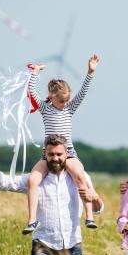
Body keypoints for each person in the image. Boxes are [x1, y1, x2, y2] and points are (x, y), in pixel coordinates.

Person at [23, 54, 101, 235]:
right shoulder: (44, 108)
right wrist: (35, 73)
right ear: (51, 96)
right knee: (33, 180)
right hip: (48, 153)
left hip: (69, 152)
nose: (64, 104)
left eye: (66, 100)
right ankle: (32, 220)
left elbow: (83, 92)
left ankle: (89, 216)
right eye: (61, 101)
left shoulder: (69, 108)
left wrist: (90, 72)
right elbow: (31, 92)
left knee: (80, 177)